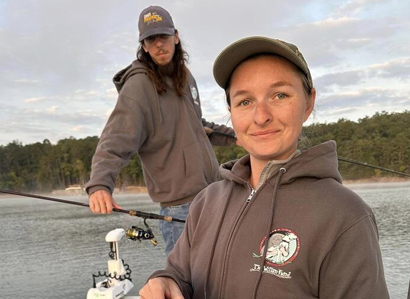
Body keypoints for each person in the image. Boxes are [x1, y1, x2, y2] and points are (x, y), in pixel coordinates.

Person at [139, 36, 389, 298]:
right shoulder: (206, 202)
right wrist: (166, 280)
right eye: (245, 101)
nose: (261, 117)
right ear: (231, 112)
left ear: (308, 102)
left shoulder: (346, 215)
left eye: (280, 95)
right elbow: (180, 274)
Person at [85, 5, 235, 255]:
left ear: (175, 36)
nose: (159, 45)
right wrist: (100, 184)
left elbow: (198, 125)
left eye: (163, 37)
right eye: (150, 40)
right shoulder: (138, 86)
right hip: (180, 207)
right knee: (187, 284)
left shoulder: (185, 78)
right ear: (143, 46)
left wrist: (237, 136)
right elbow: (116, 138)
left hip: (212, 193)